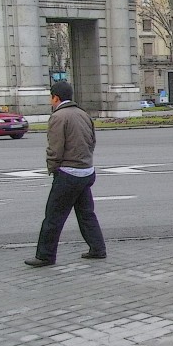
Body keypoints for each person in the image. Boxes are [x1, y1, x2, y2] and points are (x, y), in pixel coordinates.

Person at [26, 81, 107, 267]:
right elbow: (92, 142)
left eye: (51, 97)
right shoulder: (83, 114)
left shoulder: (58, 117)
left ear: (55, 97)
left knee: (53, 216)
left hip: (68, 173)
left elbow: (55, 149)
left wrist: (53, 168)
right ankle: (98, 248)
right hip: (86, 171)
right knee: (86, 213)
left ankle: (45, 256)